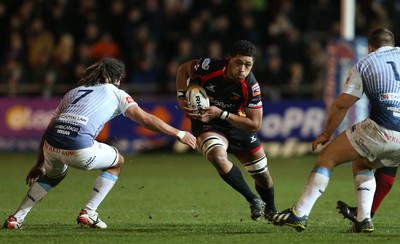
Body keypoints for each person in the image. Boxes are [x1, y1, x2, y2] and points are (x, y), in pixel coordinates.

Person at [3, 58, 197, 229]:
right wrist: (179, 133)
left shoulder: (74, 92)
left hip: (51, 145)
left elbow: (49, 129)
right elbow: (145, 119)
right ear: (117, 78)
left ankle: (16, 218)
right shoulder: (116, 92)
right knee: (117, 161)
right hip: (79, 148)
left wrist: (39, 163)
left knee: (53, 177)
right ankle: (89, 212)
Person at [269, 28, 400, 233]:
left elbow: (341, 105)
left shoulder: (365, 63)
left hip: (381, 127)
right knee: (362, 161)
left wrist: (327, 134)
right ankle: (364, 219)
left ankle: (299, 213)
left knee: (327, 157)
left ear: (370, 47)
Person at [176, 40, 278, 221]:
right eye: (238, 63)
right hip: (208, 122)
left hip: (237, 124)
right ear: (229, 60)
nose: (242, 69)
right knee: (217, 156)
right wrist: (181, 95)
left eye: (248, 65)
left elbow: (255, 124)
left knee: (262, 175)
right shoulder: (209, 67)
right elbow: (184, 69)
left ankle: (271, 210)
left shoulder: (251, 86)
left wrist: (221, 113)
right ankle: (253, 199)